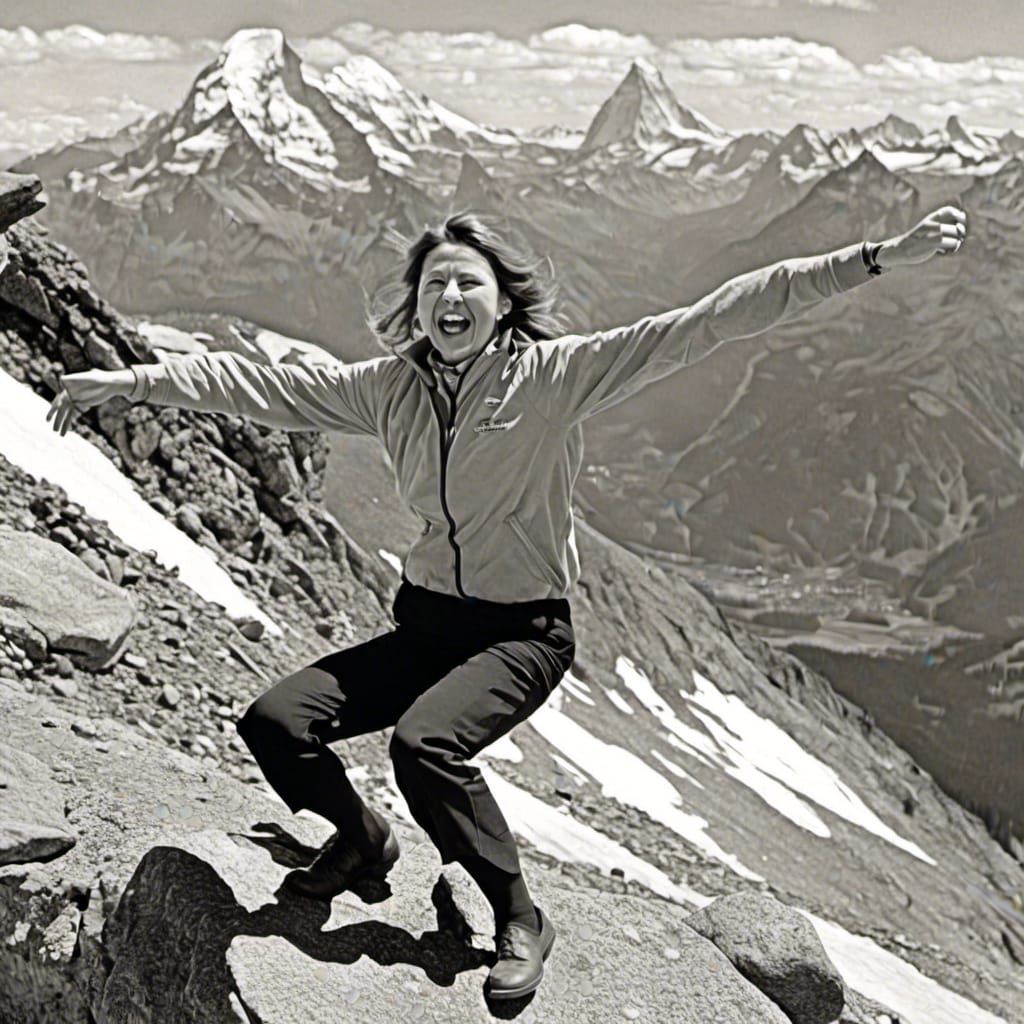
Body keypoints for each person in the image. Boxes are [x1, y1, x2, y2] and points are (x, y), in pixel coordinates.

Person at [48, 205, 967, 1000]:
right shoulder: (391, 389)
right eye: (435, 286)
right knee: (275, 720)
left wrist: (877, 258)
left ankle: (519, 915)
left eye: (469, 285)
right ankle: (362, 840)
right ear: (416, 305)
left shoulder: (556, 376)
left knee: (424, 747)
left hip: (522, 632)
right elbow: (258, 386)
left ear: (503, 298)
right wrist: (130, 381)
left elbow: (714, 318)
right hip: (428, 623)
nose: (450, 301)